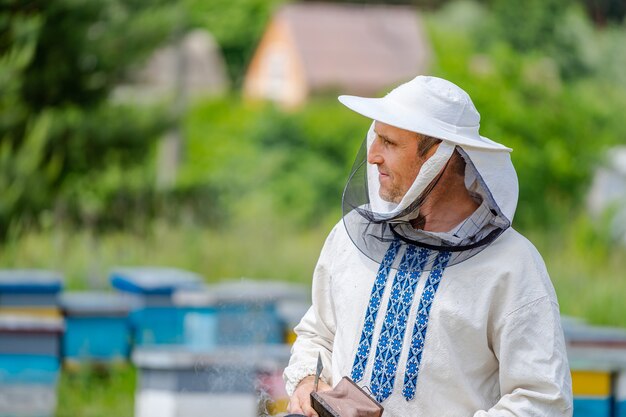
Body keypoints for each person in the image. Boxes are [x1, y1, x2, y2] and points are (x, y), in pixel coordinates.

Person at [284, 76, 573, 417]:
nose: (373, 156)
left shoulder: (512, 265)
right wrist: (307, 383)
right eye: (375, 138)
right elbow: (317, 335)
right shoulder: (350, 238)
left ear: (440, 154)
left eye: (390, 143)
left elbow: (542, 400)